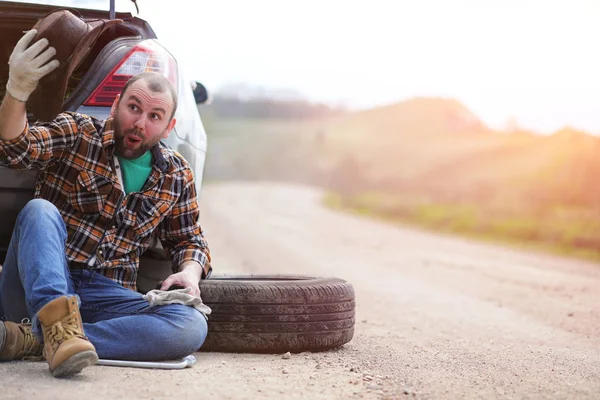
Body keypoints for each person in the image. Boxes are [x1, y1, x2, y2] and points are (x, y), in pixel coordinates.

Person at [0, 29, 211, 377]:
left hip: (107, 298)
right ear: (116, 106)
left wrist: (189, 273)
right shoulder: (80, 132)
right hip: (42, 282)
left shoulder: (175, 174)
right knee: (39, 211)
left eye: (154, 117)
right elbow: (16, 147)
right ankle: (52, 327)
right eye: (133, 108)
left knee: (190, 324)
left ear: (168, 125)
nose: (140, 123)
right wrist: (17, 91)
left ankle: (37, 340)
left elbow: (190, 240)